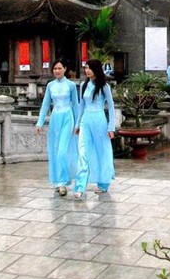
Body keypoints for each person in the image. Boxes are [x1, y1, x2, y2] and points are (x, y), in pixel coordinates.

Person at [73, 59, 116, 199]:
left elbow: (110, 106)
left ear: (96, 69)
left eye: (90, 68)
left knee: (102, 151)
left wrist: (111, 127)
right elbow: (81, 106)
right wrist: (77, 124)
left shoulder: (104, 86)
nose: (87, 71)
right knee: (83, 152)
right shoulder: (83, 85)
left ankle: (103, 183)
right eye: (86, 68)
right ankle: (79, 187)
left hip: (99, 121)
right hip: (86, 121)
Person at [35, 59, 79, 196]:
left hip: (67, 117)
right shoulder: (50, 86)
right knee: (55, 151)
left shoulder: (71, 85)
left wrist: (77, 124)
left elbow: (76, 105)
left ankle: (63, 182)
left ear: (65, 69)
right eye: (55, 69)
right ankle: (58, 181)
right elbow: (45, 105)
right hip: (55, 118)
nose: (57, 71)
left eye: (59, 68)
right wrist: (39, 122)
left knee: (62, 151)